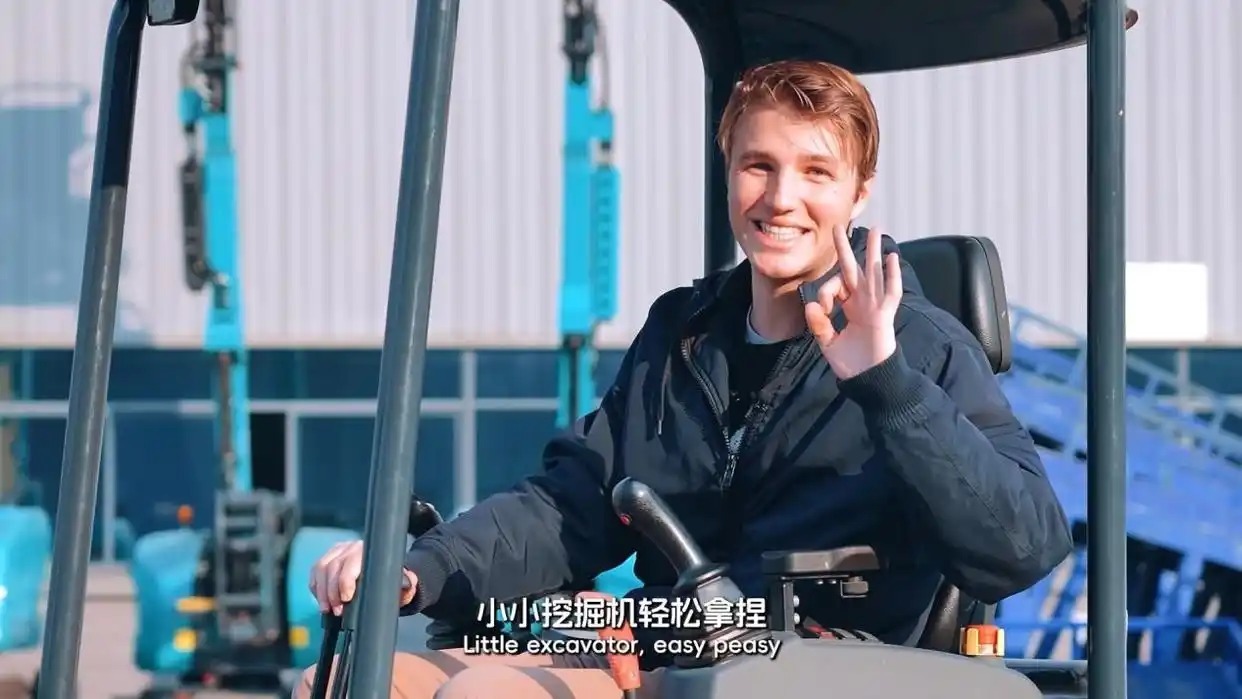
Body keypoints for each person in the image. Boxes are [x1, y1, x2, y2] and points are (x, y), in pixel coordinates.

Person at [297, 58, 1073, 698]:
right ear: (728, 168)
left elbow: (1023, 543)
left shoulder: (922, 350)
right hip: (665, 641)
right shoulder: (683, 333)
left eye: (816, 171)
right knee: (344, 680)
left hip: (810, 659)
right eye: (759, 165)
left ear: (858, 191)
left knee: (483, 694)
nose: (782, 198)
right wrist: (419, 567)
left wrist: (886, 383)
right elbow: (572, 502)